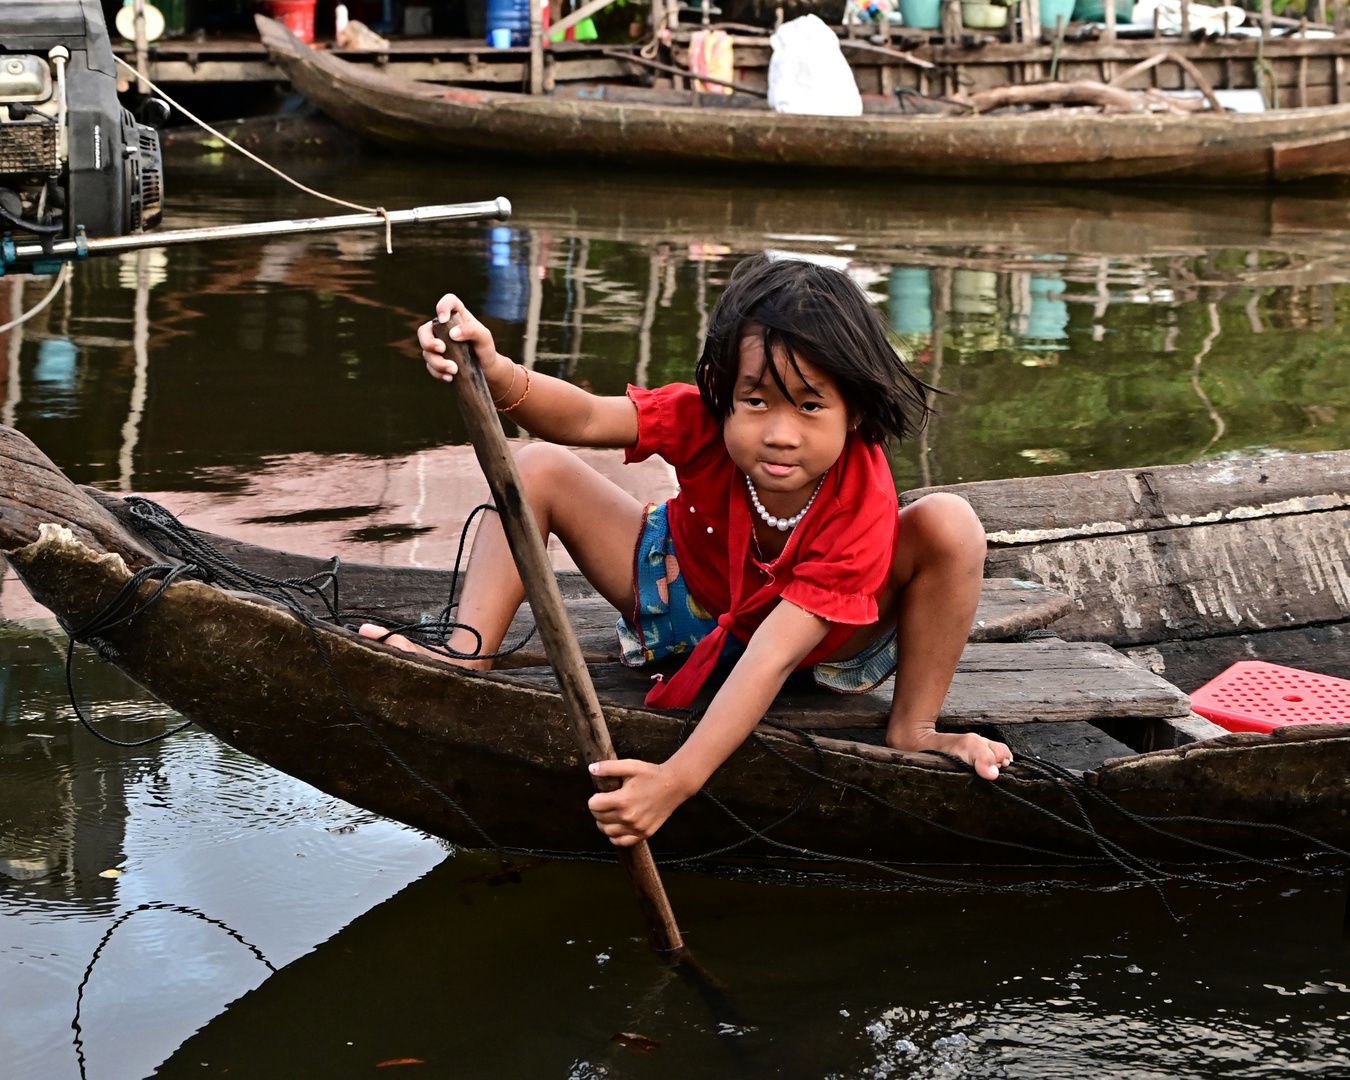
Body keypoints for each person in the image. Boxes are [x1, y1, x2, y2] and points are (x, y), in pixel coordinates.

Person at [360, 255, 1011, 849]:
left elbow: (773, 653)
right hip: (681, 597)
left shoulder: (860, 501)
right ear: (724, 391)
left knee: (951, 523)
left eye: (811, 406)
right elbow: (585, 418)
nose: (779, 434)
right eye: (755, 401)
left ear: (855, 414)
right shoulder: (702, 415)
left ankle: (915, 726)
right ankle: (467, 660)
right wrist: (494, 369)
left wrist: (676, 780)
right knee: (537, 467)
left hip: (818, 644)